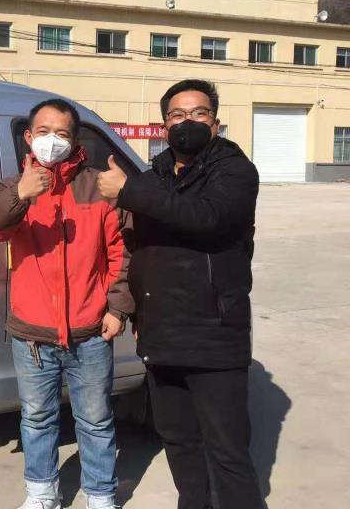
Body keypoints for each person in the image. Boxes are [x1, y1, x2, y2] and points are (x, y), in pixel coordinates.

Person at [97, 79, 264, 509]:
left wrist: (129, 192)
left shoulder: (235, 172)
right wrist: (139, 314)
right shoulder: (154, 175)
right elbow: (141, 251)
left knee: (227, 450)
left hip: (215, 333)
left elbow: (207, 218)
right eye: (177, 115)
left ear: (216, 123)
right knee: (178, 441)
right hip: (162, 334)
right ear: (164, 126)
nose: (188, 121)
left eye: (199, 113)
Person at [0, 99, 134, 509]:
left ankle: (100, 494)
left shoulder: (98, 188)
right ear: (29, 137)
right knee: (37, 419)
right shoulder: (14, 187)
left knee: (95, 420)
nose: (52, 141)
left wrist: (117, 308)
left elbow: (121, 253)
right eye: (43, 132)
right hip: (33, 336)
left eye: (61, 133)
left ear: (75, 141)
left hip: (91, 332)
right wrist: (21, 195)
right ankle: (42, 492)